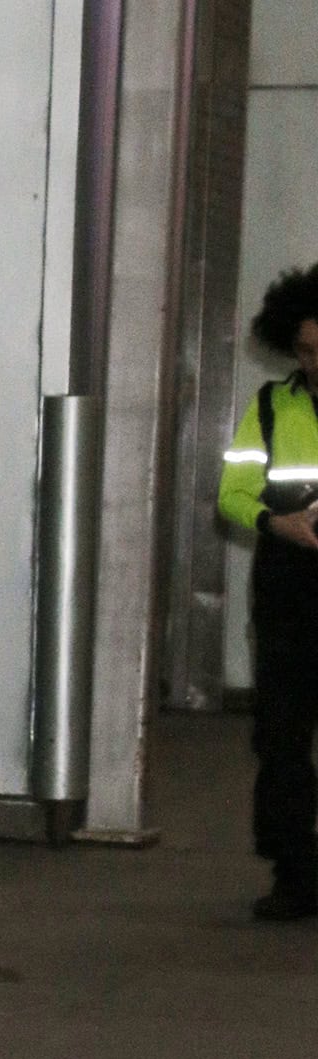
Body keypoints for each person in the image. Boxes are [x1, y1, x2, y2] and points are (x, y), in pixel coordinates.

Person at [219, 263, 318, 920]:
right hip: (289, 594)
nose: (316, 363)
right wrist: (274, 520)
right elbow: (231, 493)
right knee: (282, 740)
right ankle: (295, 875)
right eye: (307, 351)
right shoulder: (268, 408)